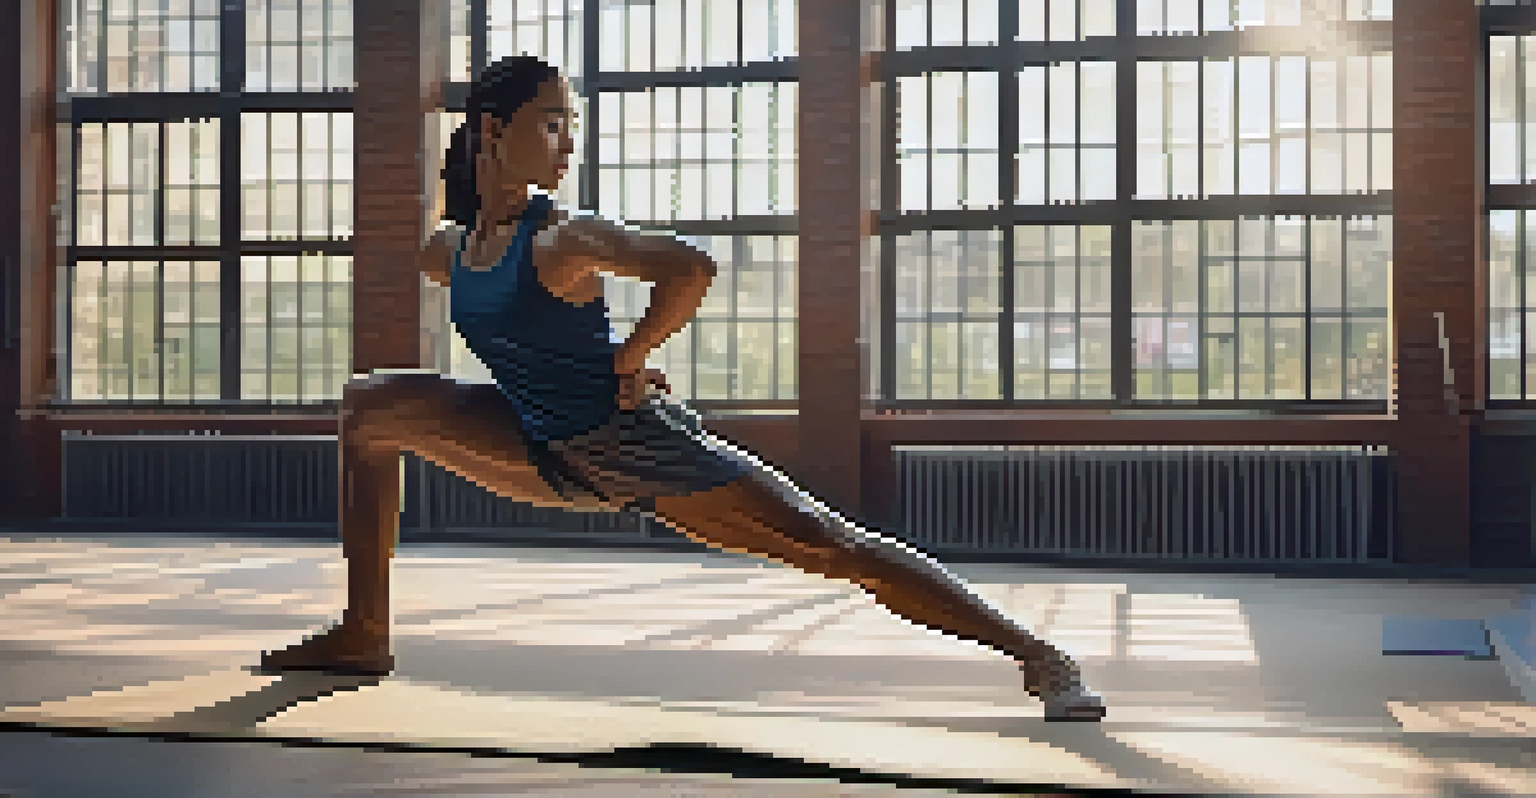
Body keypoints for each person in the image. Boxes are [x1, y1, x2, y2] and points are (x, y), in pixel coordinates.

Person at [260, 55, 1106, 721]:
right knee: (369, 407)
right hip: (538, 444)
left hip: (635, 449)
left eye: (571, 125)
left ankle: (1041, 658)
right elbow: (533, 331)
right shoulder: (446, 252)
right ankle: (363, 632)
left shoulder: (565, 236)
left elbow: (690, 267)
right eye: (552, 122)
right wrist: (604, 355)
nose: (567, 143)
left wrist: (630, 358)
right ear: (492, 129)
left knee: (832, 547)